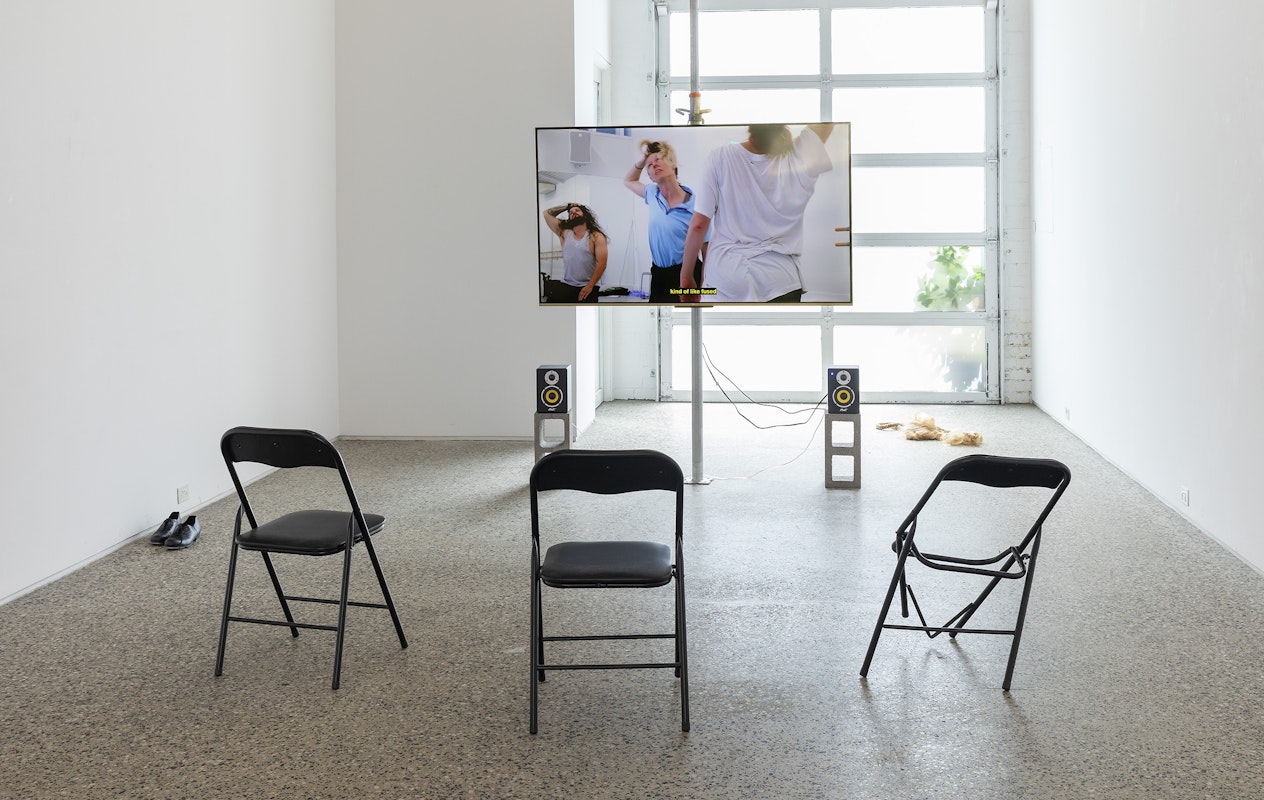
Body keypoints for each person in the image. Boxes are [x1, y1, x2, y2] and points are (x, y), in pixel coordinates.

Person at [680, 123, 835, 303]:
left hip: (727, 279)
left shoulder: (719, 157)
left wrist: (686, 278)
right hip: (781, 280)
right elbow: (826, 122)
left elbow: (699, 224)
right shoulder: (797, 157)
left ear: (751, 128)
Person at [623, 139, 707, 303]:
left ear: (673, 165)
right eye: (649, 165)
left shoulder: (696, 204)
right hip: (658, 274)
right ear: (651, 177)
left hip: (685, 274)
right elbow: (629, 181)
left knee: (687, 316)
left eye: (658, 159)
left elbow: (707, 251)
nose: (653, 165)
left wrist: (704, 290)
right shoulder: (651, 193)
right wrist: (642, 160)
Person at [541, 203, 608, 303]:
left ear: (584, 215)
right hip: (567, 284)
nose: (573, 213)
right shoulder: (564, 233)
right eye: (571, 212)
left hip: (587, 286)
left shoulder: (596, 236)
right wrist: (567, 206)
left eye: (577, 210)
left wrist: (589, 286)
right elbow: (546, 214)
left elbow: (602, 263)